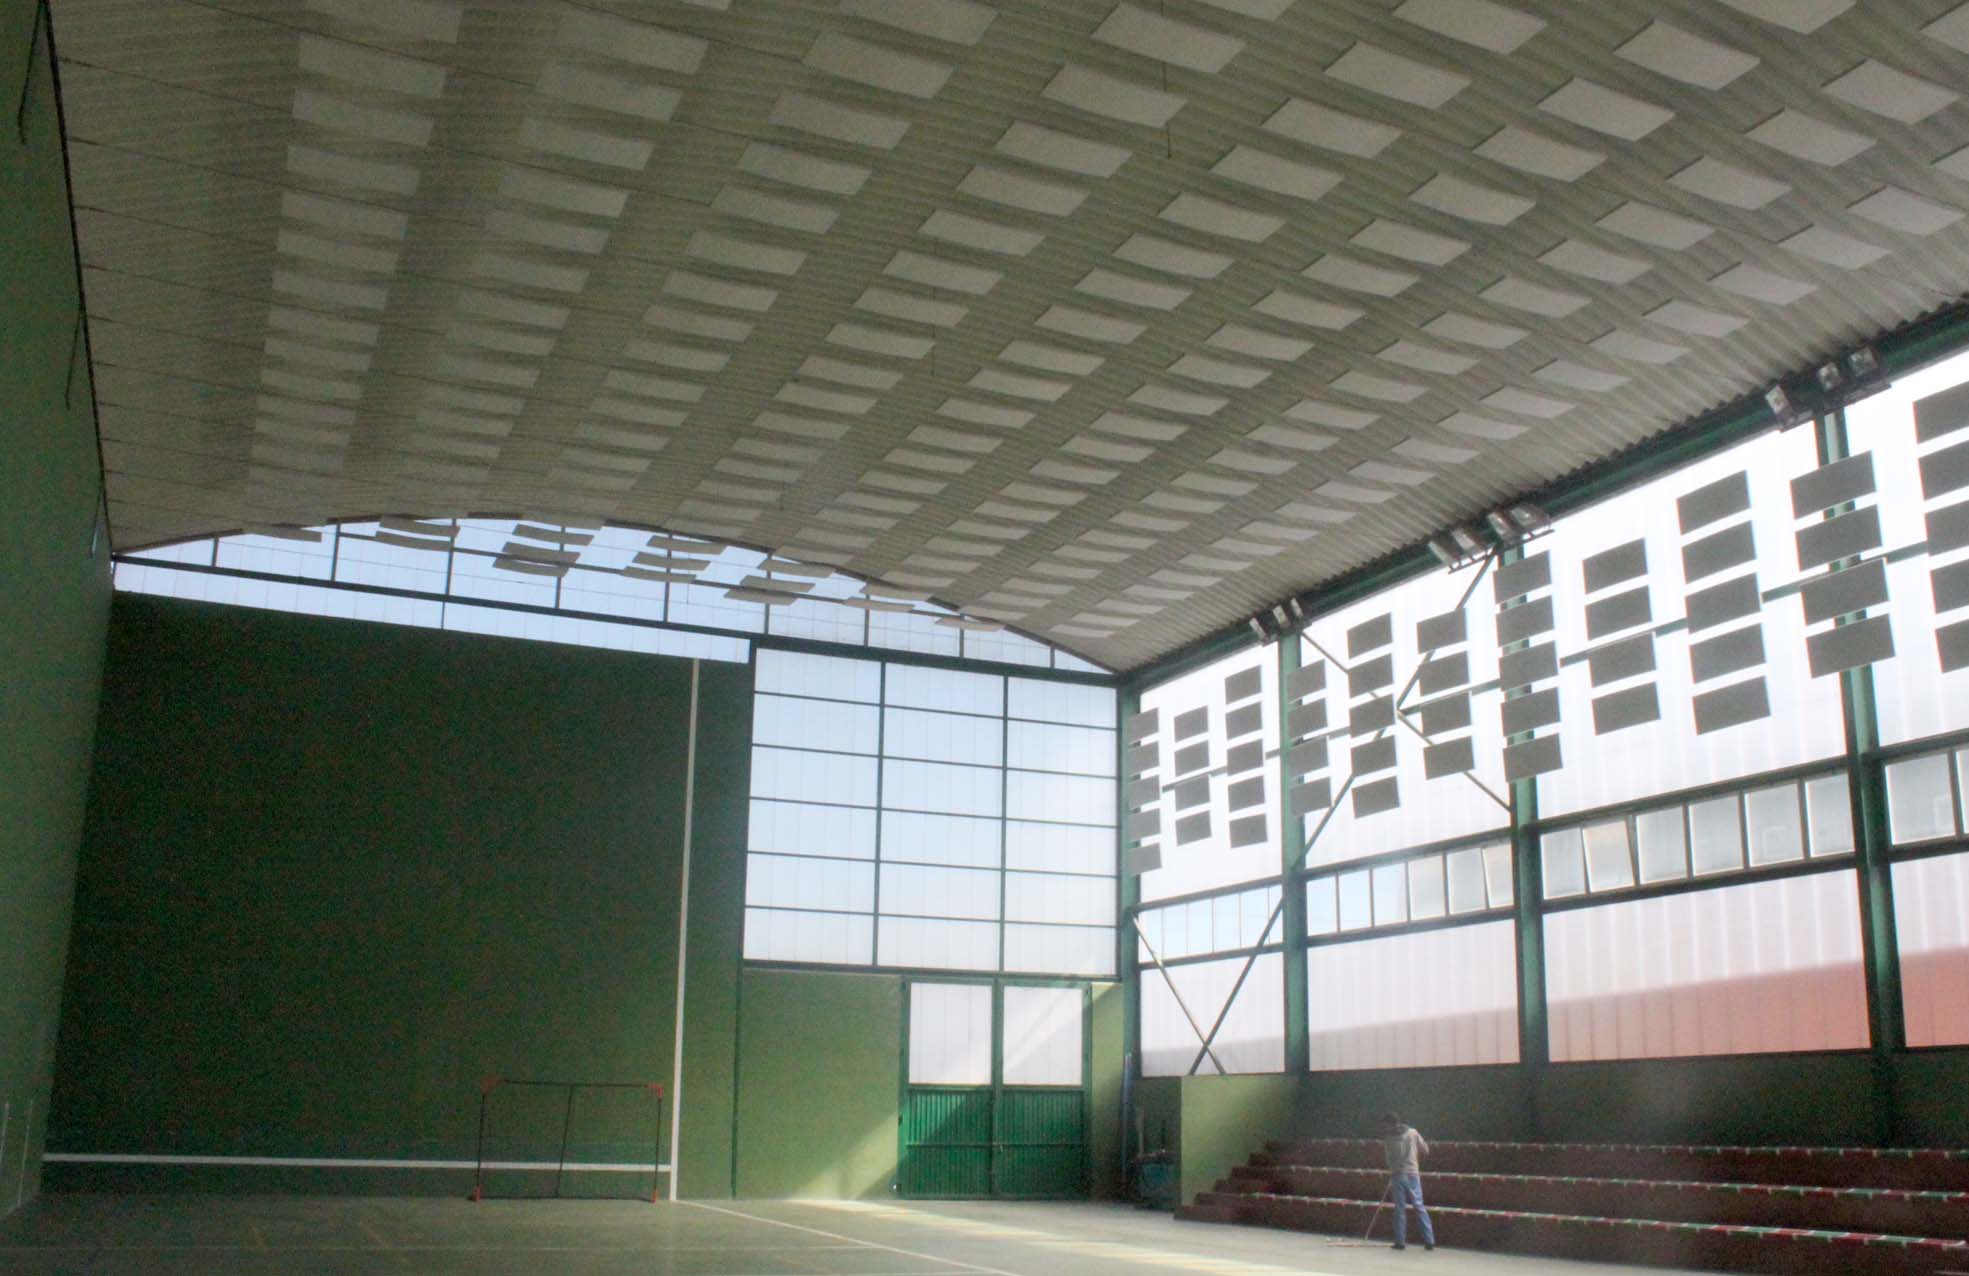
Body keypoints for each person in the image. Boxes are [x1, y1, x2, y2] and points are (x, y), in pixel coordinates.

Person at [1379, 1112, 1435, 1252]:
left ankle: (1400, 1242)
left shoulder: (1388, 1139)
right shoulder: (1413, 1133)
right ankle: (1429, 1241)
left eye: (1385, 1125)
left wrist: (1393, 1171)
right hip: (1412, 1174)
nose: (1384, 1128)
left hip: (1398, 1176)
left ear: (1391, 1124)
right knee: (1418, 1206)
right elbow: (1425, 1150)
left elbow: (1389, 1160)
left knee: (1400, 1209)